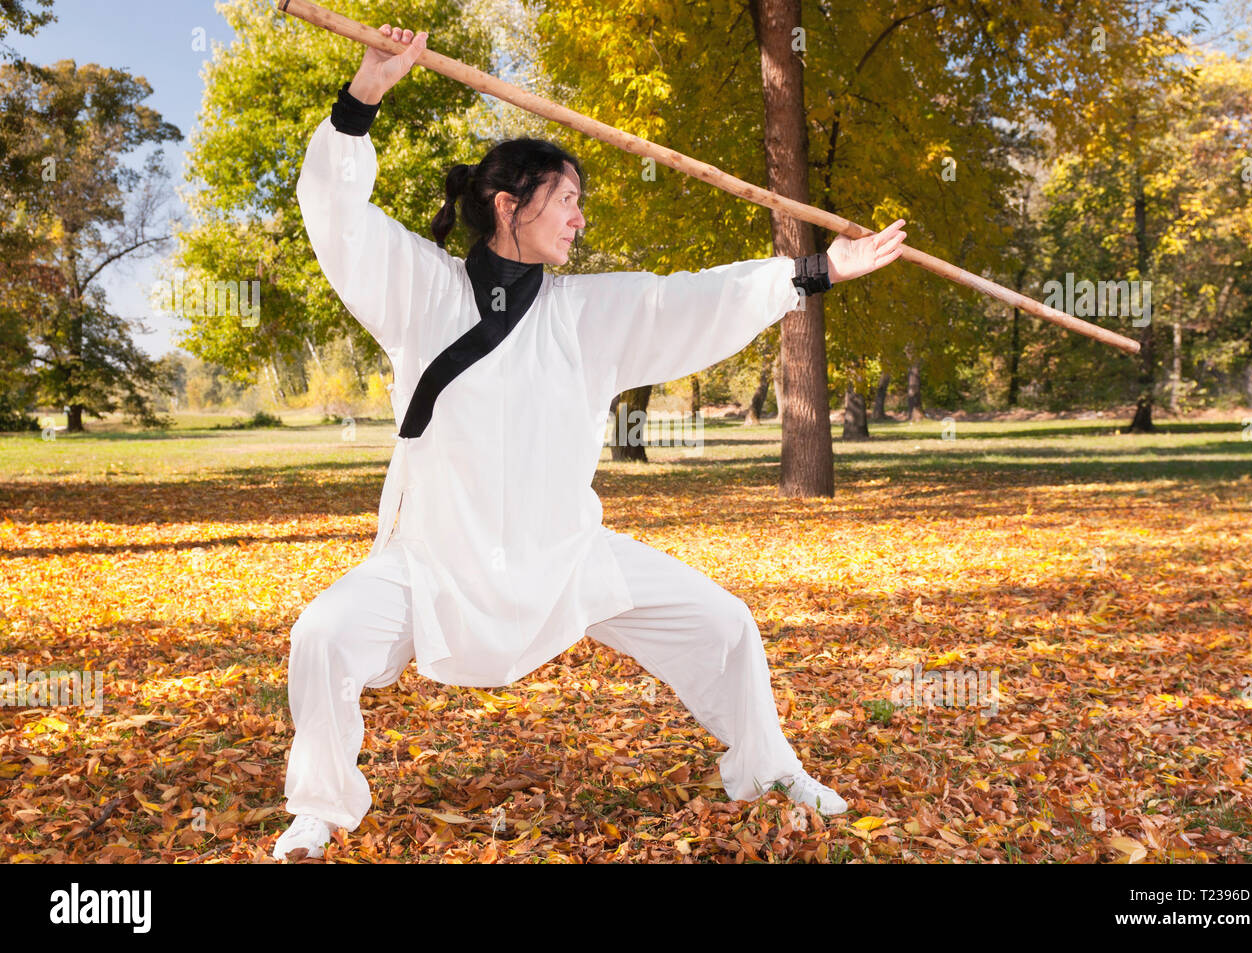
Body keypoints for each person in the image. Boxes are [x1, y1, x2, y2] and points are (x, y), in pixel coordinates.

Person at [273, 24, 907, 861]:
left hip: (567, 557)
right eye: (565, 199)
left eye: (578, 200)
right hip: (433, 563)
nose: (579, 216)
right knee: (322, 635)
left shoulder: (586, 313)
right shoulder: (421, 291)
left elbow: (690, 303)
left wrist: (817, 272)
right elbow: (339, 221)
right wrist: (365, 94)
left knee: (726, 626)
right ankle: (318, 808)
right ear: (510, 206)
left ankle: (772, 767)